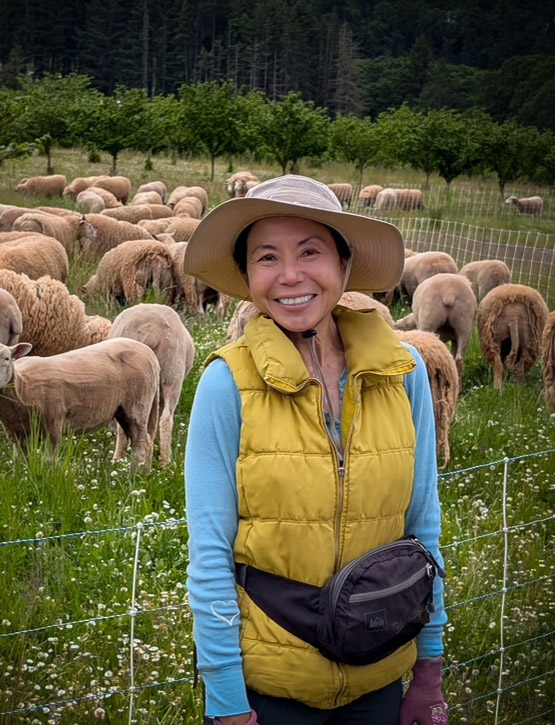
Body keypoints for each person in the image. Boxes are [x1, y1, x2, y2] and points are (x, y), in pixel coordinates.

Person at [183, 175, 448, 725]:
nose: (290, 276)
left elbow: (423, 526)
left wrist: (429, 671)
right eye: (267, 257)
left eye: (311, 251)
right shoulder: (225, 384)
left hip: (379, 675)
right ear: (247, 275)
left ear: (345, 266)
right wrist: (227, 702)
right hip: (267, 692)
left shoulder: (406, 374)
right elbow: (209, 555)